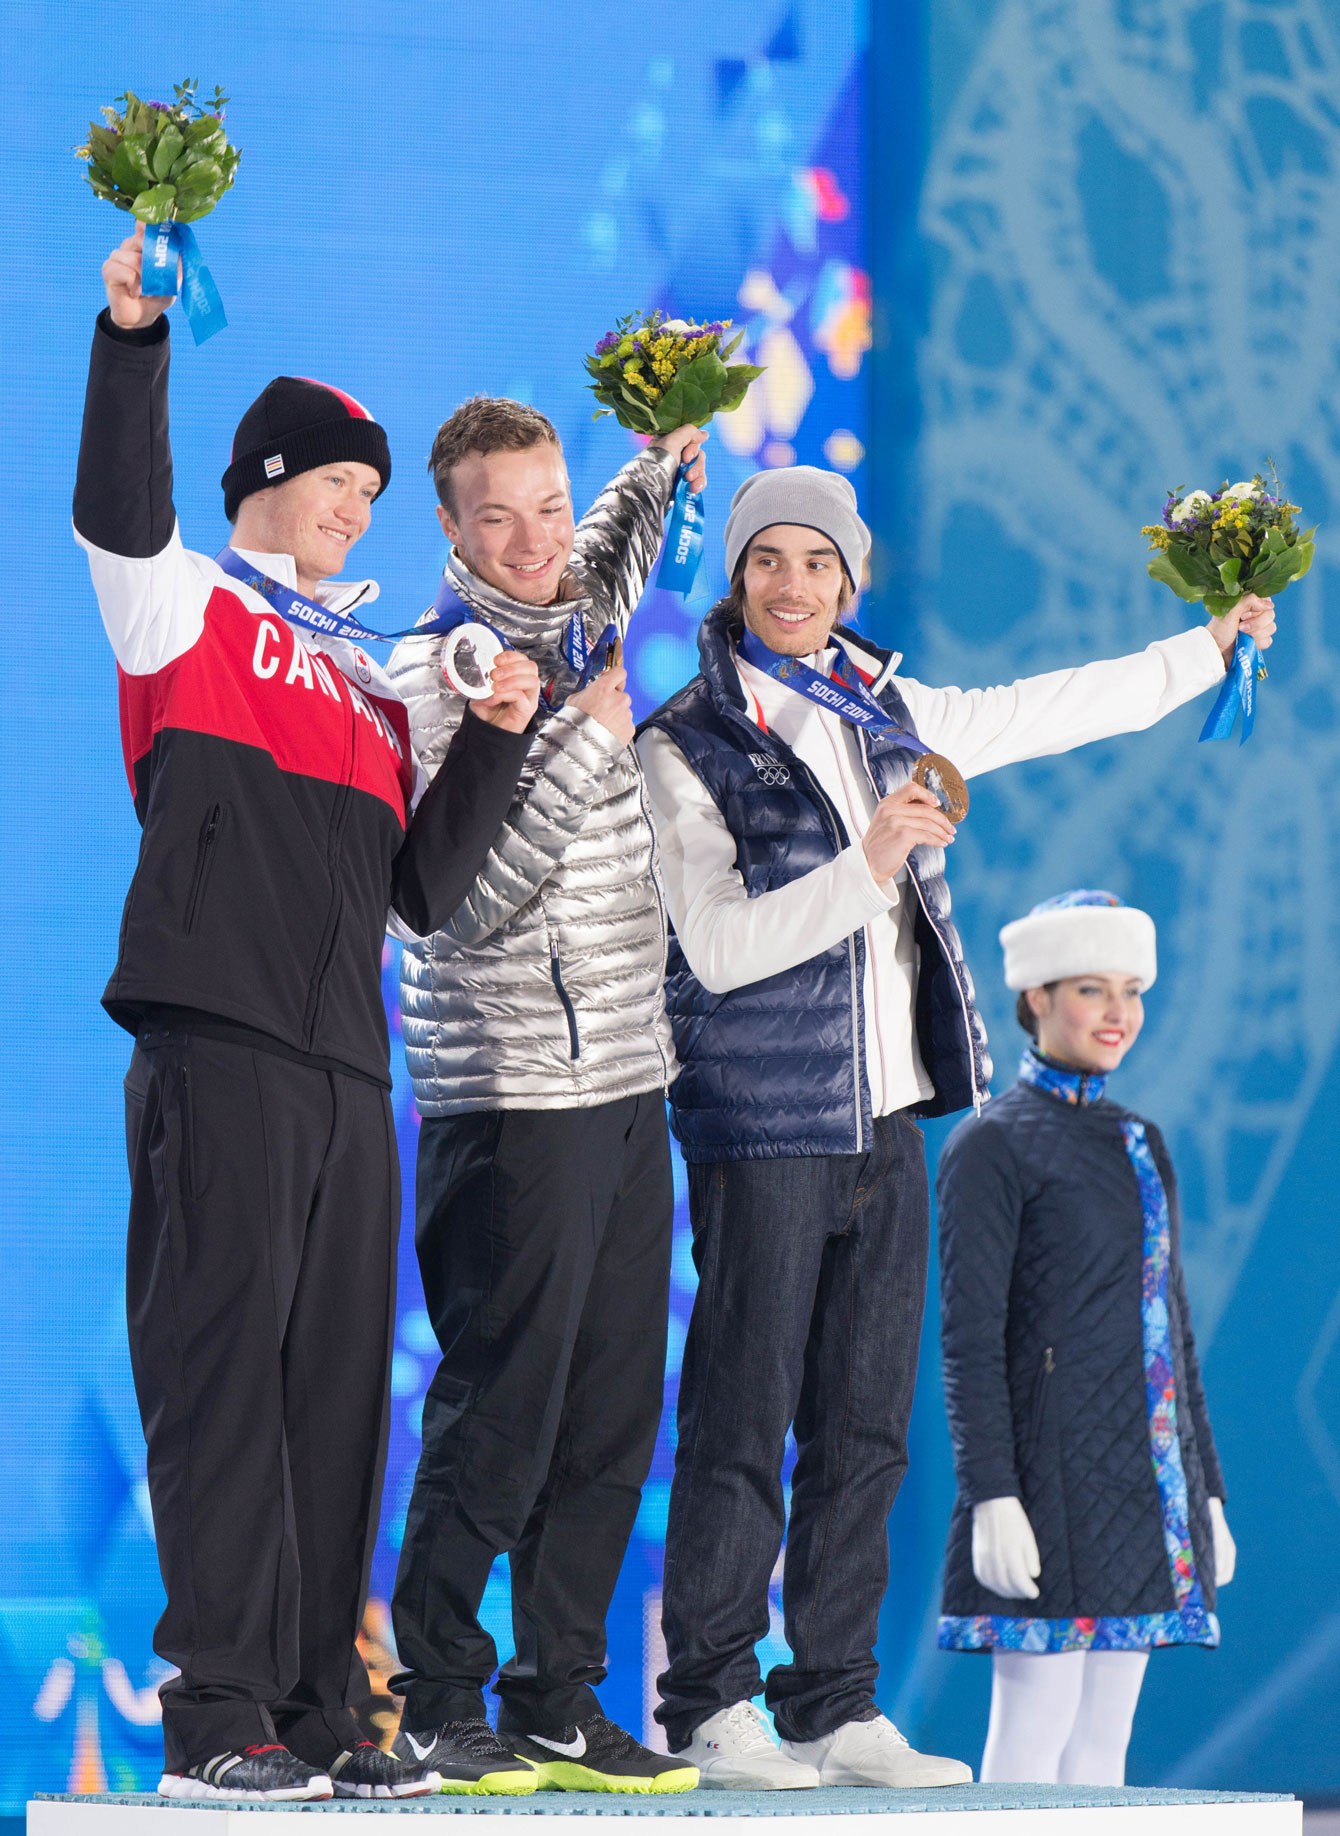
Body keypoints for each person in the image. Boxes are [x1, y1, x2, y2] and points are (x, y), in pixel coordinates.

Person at [634, 466, 1273, 1790]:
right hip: (762, 1122)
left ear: (851, 583)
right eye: (769, 562)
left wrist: (1201, 649)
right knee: (744, 1417)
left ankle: (829, 1700)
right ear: (738, 578)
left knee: (866, 1423)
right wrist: (866, 864)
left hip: (883, 1120)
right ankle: (708, 1698)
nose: (794, 586)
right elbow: (718, 946)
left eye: (819, 563)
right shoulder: (684, 739)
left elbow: (1057, 707)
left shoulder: (891, 710)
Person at [76, 227, 541, 1804]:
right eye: (340, 477)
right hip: (218, 1042)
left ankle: (323, 1716)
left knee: (339, 1395)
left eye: (369, 488)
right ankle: (214, 1716)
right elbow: (116, 508)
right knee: (220, 1380)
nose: (360, 504)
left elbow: (418, 892)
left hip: (353, 1065)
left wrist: (486, 742)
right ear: (267, 475)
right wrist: (132, 332)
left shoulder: (360, 678)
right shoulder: (183, 608)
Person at [383, 398, 707, 1793]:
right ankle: (440, 1694)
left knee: (613, 1408)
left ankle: (558, 1695)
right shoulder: (428, 673)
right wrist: (586, 738)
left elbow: (624, 540)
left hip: (631, 1079)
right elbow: (456, 905)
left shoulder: (579, 602)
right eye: (494, 515)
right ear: (448, 528)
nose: (530, 542)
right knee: (502, 1405)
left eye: (548, 507)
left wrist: (666, 450)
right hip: (510, 1094)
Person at [935, 892, 1236, 1785]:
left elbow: (1169, 1331)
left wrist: (1206, 1489)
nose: (1119, 1014)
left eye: (1132, 991)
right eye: (1092, 990)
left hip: (1142, 1485)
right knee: (1032, 1733)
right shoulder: (991, 1143)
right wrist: (992, 1493)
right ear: (1034, 997)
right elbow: (969, 1337)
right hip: (1046, 1481)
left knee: (1104, 1744)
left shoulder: (1141, 1142)